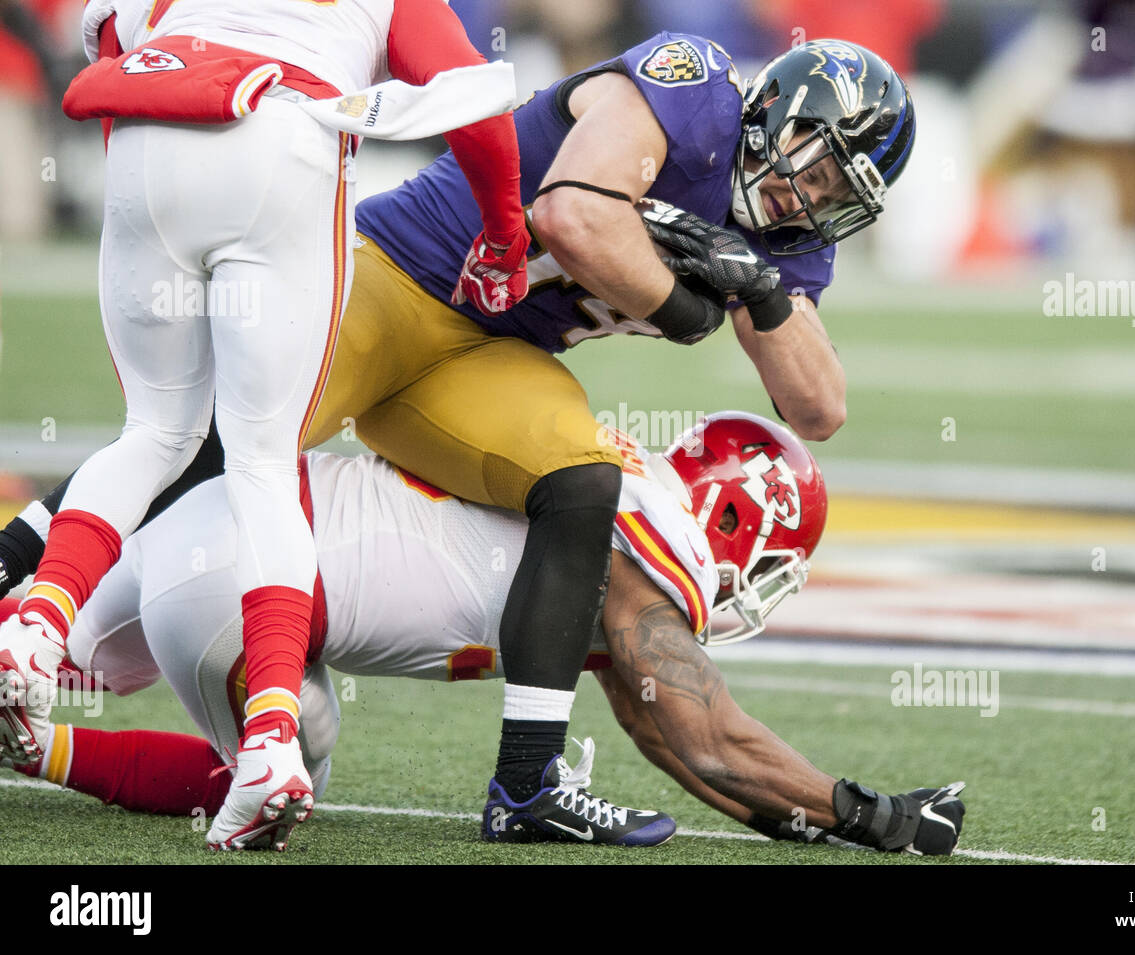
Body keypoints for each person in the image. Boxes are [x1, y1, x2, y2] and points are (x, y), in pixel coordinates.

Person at [0, 34, 918, 842]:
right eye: (825, 168)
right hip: (398, 278)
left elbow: (817, 407)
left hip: (488, 346)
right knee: (207, 436)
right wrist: (685, 304)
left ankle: (527, 783)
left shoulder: (790, 241)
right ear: (786, 118)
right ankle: (14, 576)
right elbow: (570, 215)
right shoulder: (697, 88)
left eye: (844, 195)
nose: (817, 199)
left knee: (583, 482)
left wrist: (757, 285)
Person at [0, 0, 531, 850]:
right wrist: (504, 235)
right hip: (281, 133)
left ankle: (36, 624)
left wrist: (149, 208)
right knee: (261, 459)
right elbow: (475, 100)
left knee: (155, 431)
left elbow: (108, 32)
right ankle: (272, 741)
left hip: (151, 123)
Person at [3, 412, 965, 853]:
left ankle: (30, 719)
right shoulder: (644, 546)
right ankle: (40, 749)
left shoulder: (612, 492)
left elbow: (676, 742)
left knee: (30, 648)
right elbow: (707, 733)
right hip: (254, 588)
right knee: (271, 771)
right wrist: (871, 814)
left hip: (218, 523)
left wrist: (821, 821)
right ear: (729, 524)